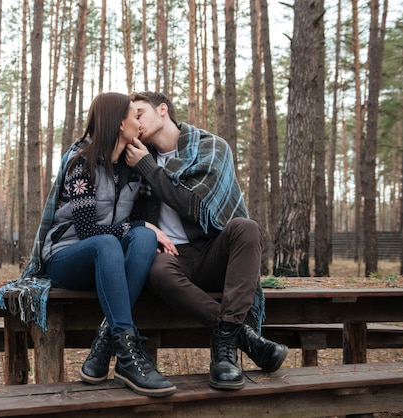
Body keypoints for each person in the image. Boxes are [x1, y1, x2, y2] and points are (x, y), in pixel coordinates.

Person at [123, 91, 288, 390]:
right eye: (130, 118)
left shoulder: (210, 147)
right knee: (155, 268)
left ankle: (225, 343)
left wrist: (148, 167)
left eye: (139, 113)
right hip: (170, 258)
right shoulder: (131, 157)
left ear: (162, 110)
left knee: (246, 228)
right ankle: (236, 340)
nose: (135, 123)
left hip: (213, 253)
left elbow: (194, 205)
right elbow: (119, 212)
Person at [25, 92, 176, 397]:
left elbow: (134, 225)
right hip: (66, 256)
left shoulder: (133, 167)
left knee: (145, 237)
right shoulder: (83, 163)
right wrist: (139, 224)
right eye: (134, 116)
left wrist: (143, 227)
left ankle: (107, 343)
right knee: (109, 241)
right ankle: (128, 351)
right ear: (119, 123)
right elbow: (87, 231)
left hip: (106, 257)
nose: (139, 122)